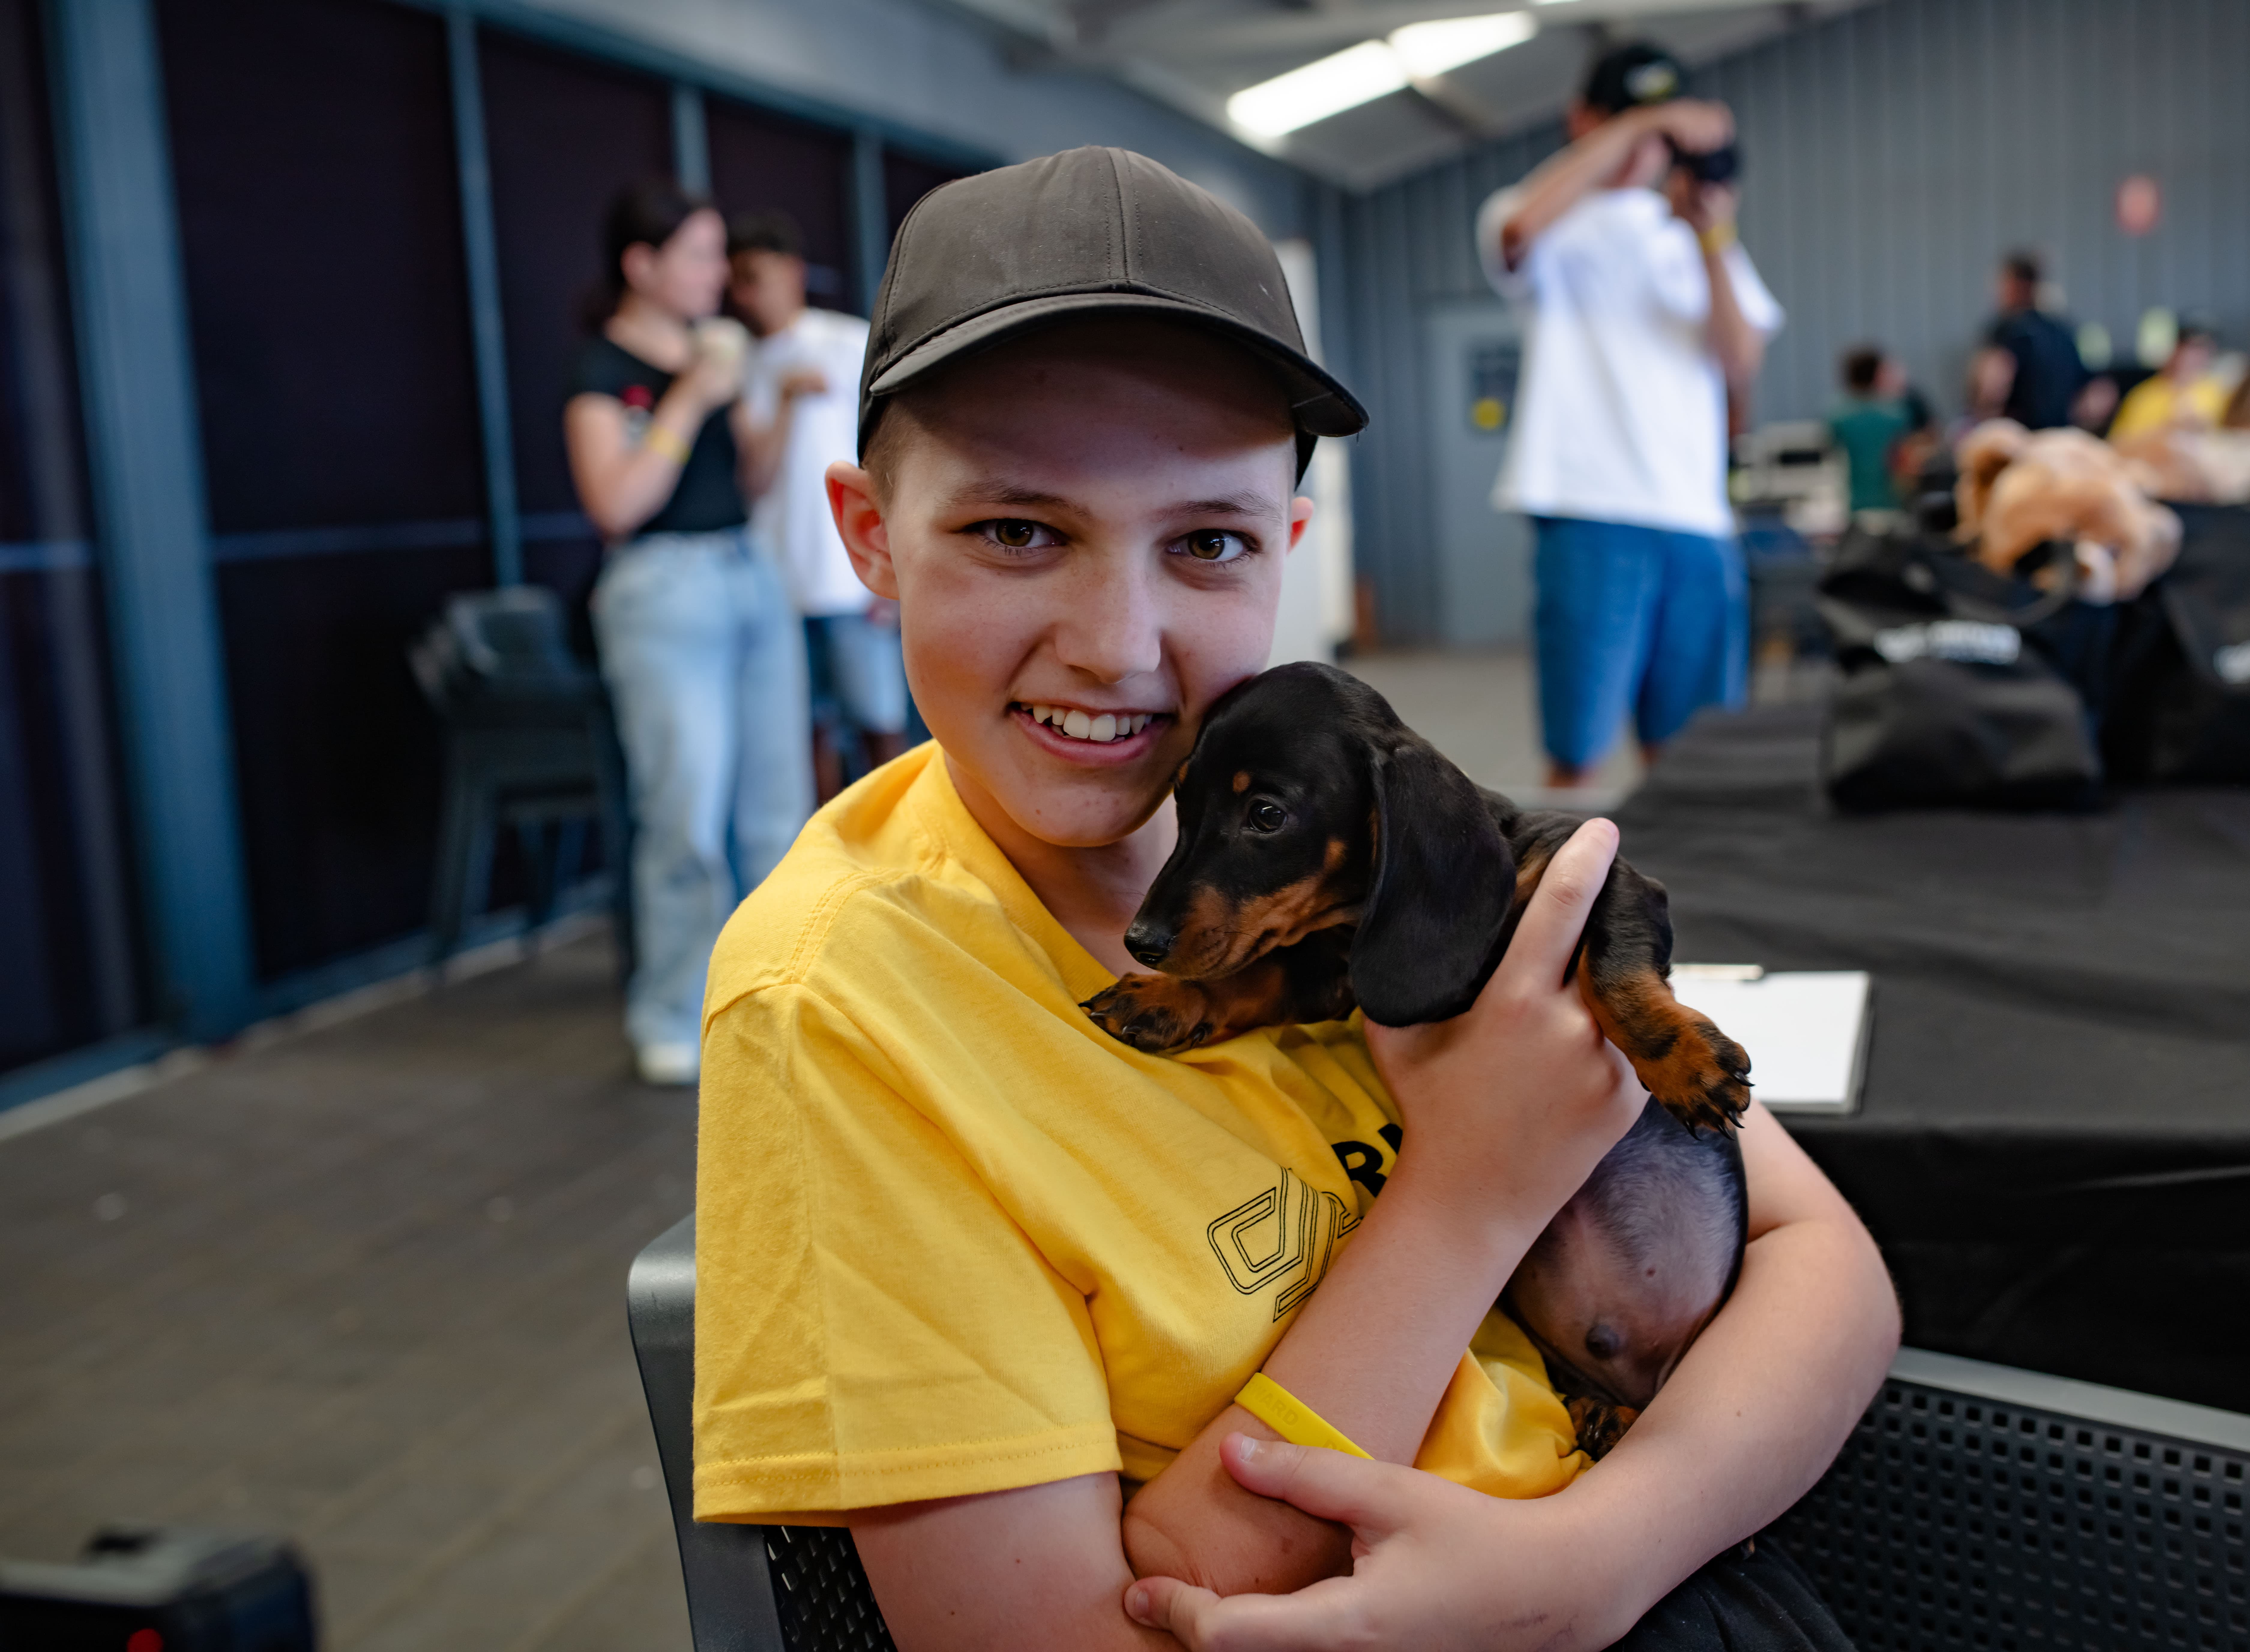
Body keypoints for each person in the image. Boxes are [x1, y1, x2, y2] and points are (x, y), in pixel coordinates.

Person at [692, 146, 1897, 1652]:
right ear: (865, 530)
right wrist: (1469, 1187)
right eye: (1016, 529)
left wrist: (1594, 1557)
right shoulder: (844, 1008)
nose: (1116, 642)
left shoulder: (1350, 821)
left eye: (1206, 541)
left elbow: (1825, 1261)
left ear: (1289, 553)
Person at [1475, 43, 1782, 789]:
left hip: (1695, 519)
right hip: (1590, 506)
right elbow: (1517, 236)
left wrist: (1711, 232)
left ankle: (1679, 896)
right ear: (1584, 119)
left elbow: (1739, 357)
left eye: (1661, 134)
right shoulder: (1542, 213)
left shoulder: (1689, 233)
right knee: (1575, 753)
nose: (1647, 146)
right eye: (1631, 122)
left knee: (1692, 751)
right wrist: (1638, 126)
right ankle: (1570, 901)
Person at [563, 179, 814, 1086]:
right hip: (662, 592)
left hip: (748, 571)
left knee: (776, 816)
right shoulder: (602, 370)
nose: (722, 274)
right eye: (703, 255)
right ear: (643, 265)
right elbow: (618, 504)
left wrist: (768, 400)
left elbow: (749, 480)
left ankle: (775, 997)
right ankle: (671, 1011)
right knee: (686, 816)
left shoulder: (719, 350)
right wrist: (688, 397)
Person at [725, 210, 910, 797]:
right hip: (778, 585)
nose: (746, 295)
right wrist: (782, 400)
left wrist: (898, 564)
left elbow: (897, 456)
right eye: (737, 281)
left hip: (853, 579)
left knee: (882, 723)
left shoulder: (849, 341)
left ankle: (903, 861)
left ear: (792, 272)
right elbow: (751, 480)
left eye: (755, 276)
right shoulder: (739, 365)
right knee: (808, 737)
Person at [1984, 249, 2087, 430]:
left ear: (2018, 286)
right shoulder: (2061, 331)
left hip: (2019, 435)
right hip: (2062, 432)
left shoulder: (2007, 331)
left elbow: (1993, 385)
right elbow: (2089, 386)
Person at [1826, 344, 1914, 525]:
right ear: (1877, 375)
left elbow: (1832, 460)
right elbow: (1904, 463)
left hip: (1852, 505)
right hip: (1891, 503)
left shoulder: (1837, 417)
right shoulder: (1895, 414)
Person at [2109, 319, 2228, 442]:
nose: (2190, 357)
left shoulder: (2219, 393)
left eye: (2199, 349)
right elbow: (2118, 446)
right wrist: (2168, 430)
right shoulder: (2143, 398)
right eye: (2185, 348)